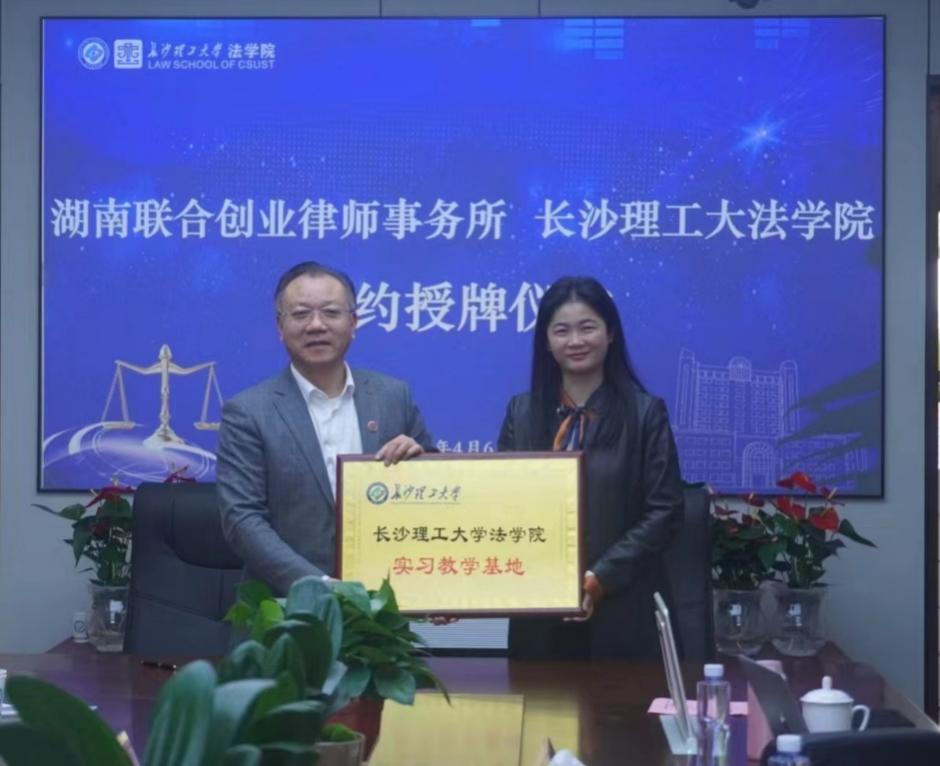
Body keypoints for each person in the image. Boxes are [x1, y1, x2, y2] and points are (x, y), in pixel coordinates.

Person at [217, 261, 433, 595]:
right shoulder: (248, 412)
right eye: (301, 314)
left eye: (331, 312)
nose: (316, 325)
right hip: (288, 610)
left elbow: (435, 496)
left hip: (383, 606)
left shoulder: (393, 397)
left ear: (353, 322)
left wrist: (420, 463)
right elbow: (242, 519)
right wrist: (318, 587)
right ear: (280, 327)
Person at [498, 275, 684, 659]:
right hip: (539, 613)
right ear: (546, 342)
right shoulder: (521, 413)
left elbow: (664, 511)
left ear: (610, 333)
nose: (575, 341)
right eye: (561, 330)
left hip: (623, 612)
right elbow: (502, 504)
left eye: (587, 328)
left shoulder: (645, 413)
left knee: (616, 700)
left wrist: (601, 577)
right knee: (537, 699)